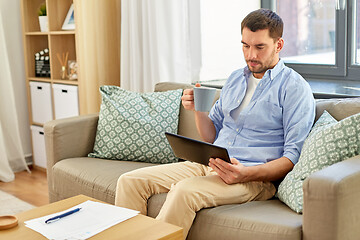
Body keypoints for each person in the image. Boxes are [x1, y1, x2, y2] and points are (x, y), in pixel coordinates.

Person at [115, 8, 315, 238]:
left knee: (184, 191)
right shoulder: (234, 80)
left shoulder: (295, 88)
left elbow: (292, 158)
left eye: (260, 47)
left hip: (254, 178)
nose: (251, 54)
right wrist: (199, 110)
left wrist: (246, 174)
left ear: (278, 45)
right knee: (130, 181)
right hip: (211, 163)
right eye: (245, 45)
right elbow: (211, 137)